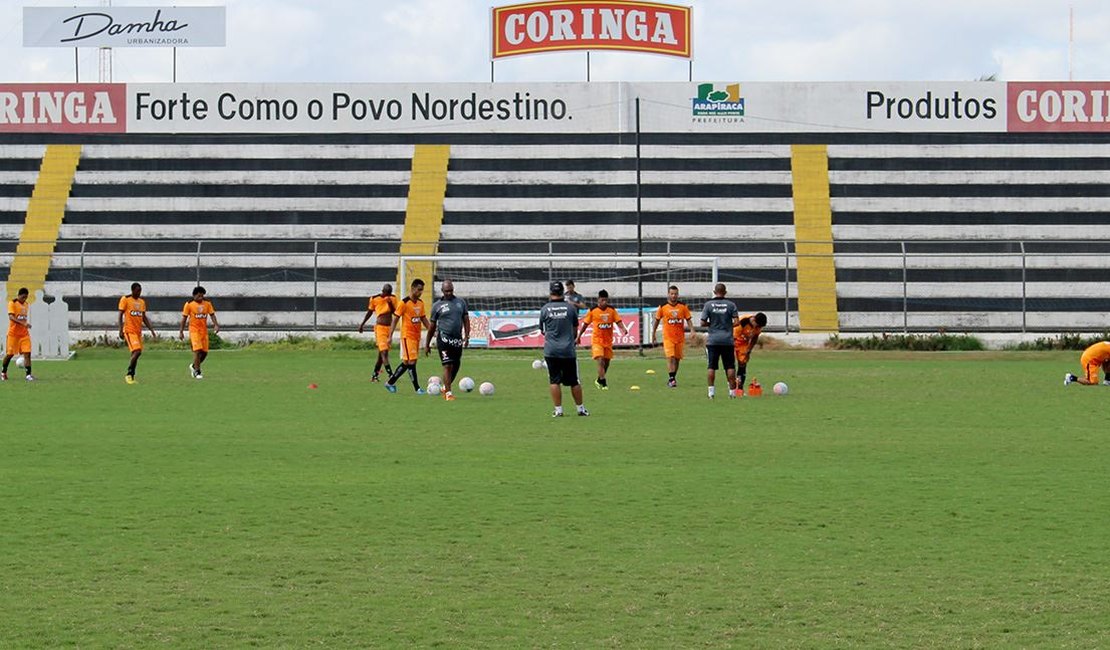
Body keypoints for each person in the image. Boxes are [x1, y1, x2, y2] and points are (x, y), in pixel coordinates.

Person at [540, 281, 588, 417]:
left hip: (551, 350)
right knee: (574, 381)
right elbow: (574, 329)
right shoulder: (570, 308)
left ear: (550, 293)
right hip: (568, 350)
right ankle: (580, 409)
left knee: (554, 380)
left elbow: (543, 331)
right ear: (563, 292)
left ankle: (558, 410)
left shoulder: (545, 309)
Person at [425, 280, 470, 401]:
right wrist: (427, 344)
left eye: (451, 290)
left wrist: (467, 336)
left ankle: (445, 387)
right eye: (446, 291)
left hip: (457, 340)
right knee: (447, 365)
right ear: (442, 291)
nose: (449, 293)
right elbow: (432, 327)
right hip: (443, 339)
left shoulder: (461, 303)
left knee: (456, 364)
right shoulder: (437, 306)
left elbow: (466, 319)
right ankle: (448, 393)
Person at [575, 289, 628, 390]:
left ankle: (599, 379)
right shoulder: (593, 310)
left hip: (608, 341)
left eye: (606, 300)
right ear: (598, 299)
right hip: (597, 341)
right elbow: (585, 324)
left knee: (606, 362)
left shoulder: (611, 310)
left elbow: (618, 321)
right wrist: (579, 336)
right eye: (602, 300)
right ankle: (603, 383)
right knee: (600, 360)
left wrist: (623, 328)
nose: (604, 302)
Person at [385, 279, 430, 394]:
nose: (420, 292)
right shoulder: (403, 303)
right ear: (413, 288)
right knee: (412, 361)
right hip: (407, 336)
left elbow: (423, 318)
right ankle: (417, 388)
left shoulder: (420, 303)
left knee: (406, 363)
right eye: (419, 290)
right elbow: (395, 319)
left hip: (416, 336)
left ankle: (390, 383)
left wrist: (432, 330)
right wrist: (390, 336)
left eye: (422, 290)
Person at [700, 283, 741, 399]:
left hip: (713, 340)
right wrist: (727, 326)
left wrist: (711, 324)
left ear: (714, 292)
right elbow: (737, 322)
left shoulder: (708, 305)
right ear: (725, 292)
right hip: (727, 340)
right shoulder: (731, 305)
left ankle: (711, 393)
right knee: (730, 367)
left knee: (711, 366)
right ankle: (732, 393)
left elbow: (702, 322)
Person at [651, 285, 694, 388]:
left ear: (678, 295)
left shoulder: (683, 307)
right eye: (672, 294)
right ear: (668, 294)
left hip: (679, 337)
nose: (674, 296)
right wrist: (653, 333)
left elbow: (688, 319)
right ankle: (672, 379)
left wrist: (692, 330)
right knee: (670, 357)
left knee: (677, 359)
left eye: (675, 294)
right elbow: (657, 320)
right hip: (668, 337)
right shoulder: (663, 307)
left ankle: (673, 377)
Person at [358, 284, 400, 382]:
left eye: (389, 293)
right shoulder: (374, 299)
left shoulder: (393, 298)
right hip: (380, 328)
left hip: (389, 328)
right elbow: (369, 312)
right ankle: (391, 375)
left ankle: (374, 375)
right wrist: (362, 324)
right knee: (384, 352)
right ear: (383, 291)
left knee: (381, 355)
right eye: (386, 293)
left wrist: (389, 303)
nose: (388, 295)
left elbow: (395, 312)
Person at [118, 282, 158, 384]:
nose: (139, 292)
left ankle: (132, 376)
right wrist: (120, 329)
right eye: (137, 290)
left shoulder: (141, 302)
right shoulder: (125, 299)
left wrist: (151, 330)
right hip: (129, 331)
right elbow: (120, 315)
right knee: (137, 351)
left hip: (138, 332)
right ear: (132, 290)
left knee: (135, 354)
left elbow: (144, 317)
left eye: (140, 291)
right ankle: (128, 374)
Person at [179, 286, 219, 380]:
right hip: (194, 331)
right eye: (199, 296)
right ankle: (197, 372)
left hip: (203, 331)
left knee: (204, 353)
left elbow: (212, 315)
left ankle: (194, 366)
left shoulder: (207, 303)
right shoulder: (189, 304)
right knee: (197, 351)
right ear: (194, 295)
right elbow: (184, 319)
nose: (201, 298)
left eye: (202, 296)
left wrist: (216, 325)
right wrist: (181, 331)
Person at [2, 287, 33, 382]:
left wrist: (25, 324)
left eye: (26, 297)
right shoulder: (12, 303)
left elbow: (23, 318)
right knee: (10, 354)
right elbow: (11, 317)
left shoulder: (26, 304)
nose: (24, 299)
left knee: (27, 353)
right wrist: (23, 323)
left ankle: (28, 375)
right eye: (23, 297)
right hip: (13, 335)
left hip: (24, 334)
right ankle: (3, 372)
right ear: (19, 295)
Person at [733, 312, 768, 394]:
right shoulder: (743, 321)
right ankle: (731, 387)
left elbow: (755, 338)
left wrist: (749, 350)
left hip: (743, 344)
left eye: (759, 327)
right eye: (757, 325)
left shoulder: (758, 326)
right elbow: (733, 337)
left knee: (742, 364)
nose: (758, 328)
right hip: (733, 341)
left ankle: (740, 389)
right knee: (731, 364)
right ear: (753, 320)